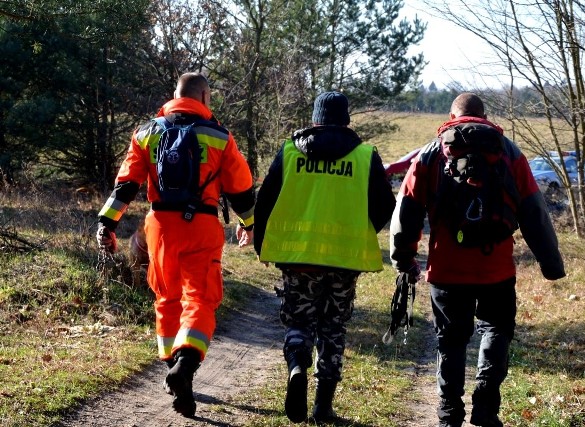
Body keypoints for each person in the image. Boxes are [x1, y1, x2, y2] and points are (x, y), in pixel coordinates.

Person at [389, 93, 566, 427]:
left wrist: (404, 259)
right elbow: (534, 212)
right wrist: (550, 263)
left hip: (446, 269)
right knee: (497, 329)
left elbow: (407, 210)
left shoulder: (431, 153)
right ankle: (485, 404)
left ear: (452, 116)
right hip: (495, 268)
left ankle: (449, 413)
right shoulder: (509, 152)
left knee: (451, 339)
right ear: (484, 115)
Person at [96, 72, 255, 418]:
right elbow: (241, 189)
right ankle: (185, 365)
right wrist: (249, 224)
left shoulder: (146, 132)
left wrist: (106, 223)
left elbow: (126, 185)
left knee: (166, 298)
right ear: (203, 96)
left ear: (176, 95)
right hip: (201, 225)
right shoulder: (219, 137)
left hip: (160, 228)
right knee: (200, 298)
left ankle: (174, 369)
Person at [253, 91, 396, 424]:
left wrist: (263, 245)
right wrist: (361, 227)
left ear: (315, 119)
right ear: (346, 120)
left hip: (298, 258)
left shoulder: (290, 151)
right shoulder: (365, 156)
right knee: (333, 328)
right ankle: (322, 406)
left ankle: (297, 366)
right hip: (344, 262)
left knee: (299, 321)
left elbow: (266, 200)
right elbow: (385, 205)